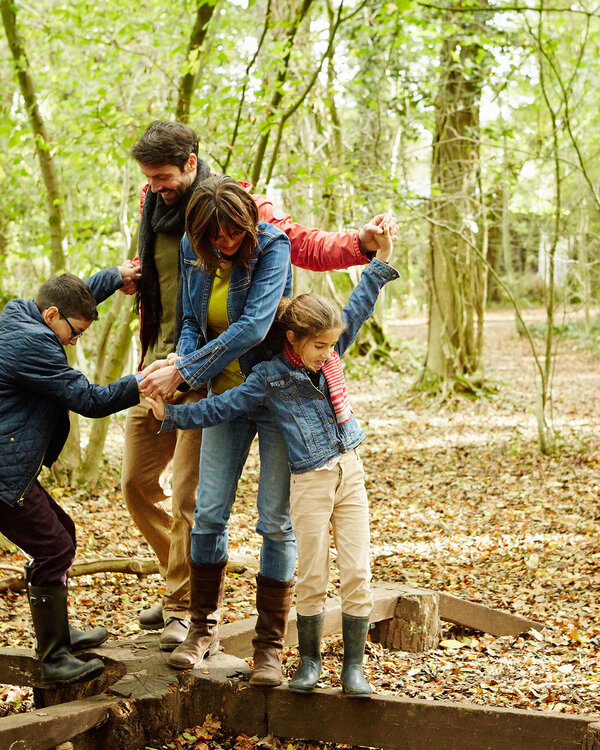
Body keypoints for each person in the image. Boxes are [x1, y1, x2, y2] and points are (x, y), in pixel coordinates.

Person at [125, 119, 399, 651]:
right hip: (175, 363)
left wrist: (363, 246)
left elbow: (306, 250)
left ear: (190, 162)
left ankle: (216, 622)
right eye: (150, 179)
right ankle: (187, 595)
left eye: (163, 176)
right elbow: (186, 306)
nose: (156, 186)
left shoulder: (255, 216)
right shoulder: (163, 215)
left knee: (233, 509)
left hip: (248, 383)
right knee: (156, 489)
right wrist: (165, 337)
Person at [146, 223, 397, 697]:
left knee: (282, 528)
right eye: (318, 346)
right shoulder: (270, 371)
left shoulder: (323, 338)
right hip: (244, 399)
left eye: (330, 346)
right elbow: (221, 400)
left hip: (340, 462)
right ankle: (205, 628)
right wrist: (173, 414)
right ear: (294, 337)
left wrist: (380, 261)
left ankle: (271, 648)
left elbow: (357, 307)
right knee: (210, 514)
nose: (327, 355)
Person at [0, 270, 142, 686]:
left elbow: (71, 301)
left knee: (62, 533)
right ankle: (54, 658)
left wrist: (115, 277)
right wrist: (141, 383)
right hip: (5, 472)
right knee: (54, 547)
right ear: (51, 316)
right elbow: (90, 400)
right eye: (74, 334)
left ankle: (58, 634)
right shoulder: (33, 344)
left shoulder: (21, 316)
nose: (73, 341)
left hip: (10, 463)